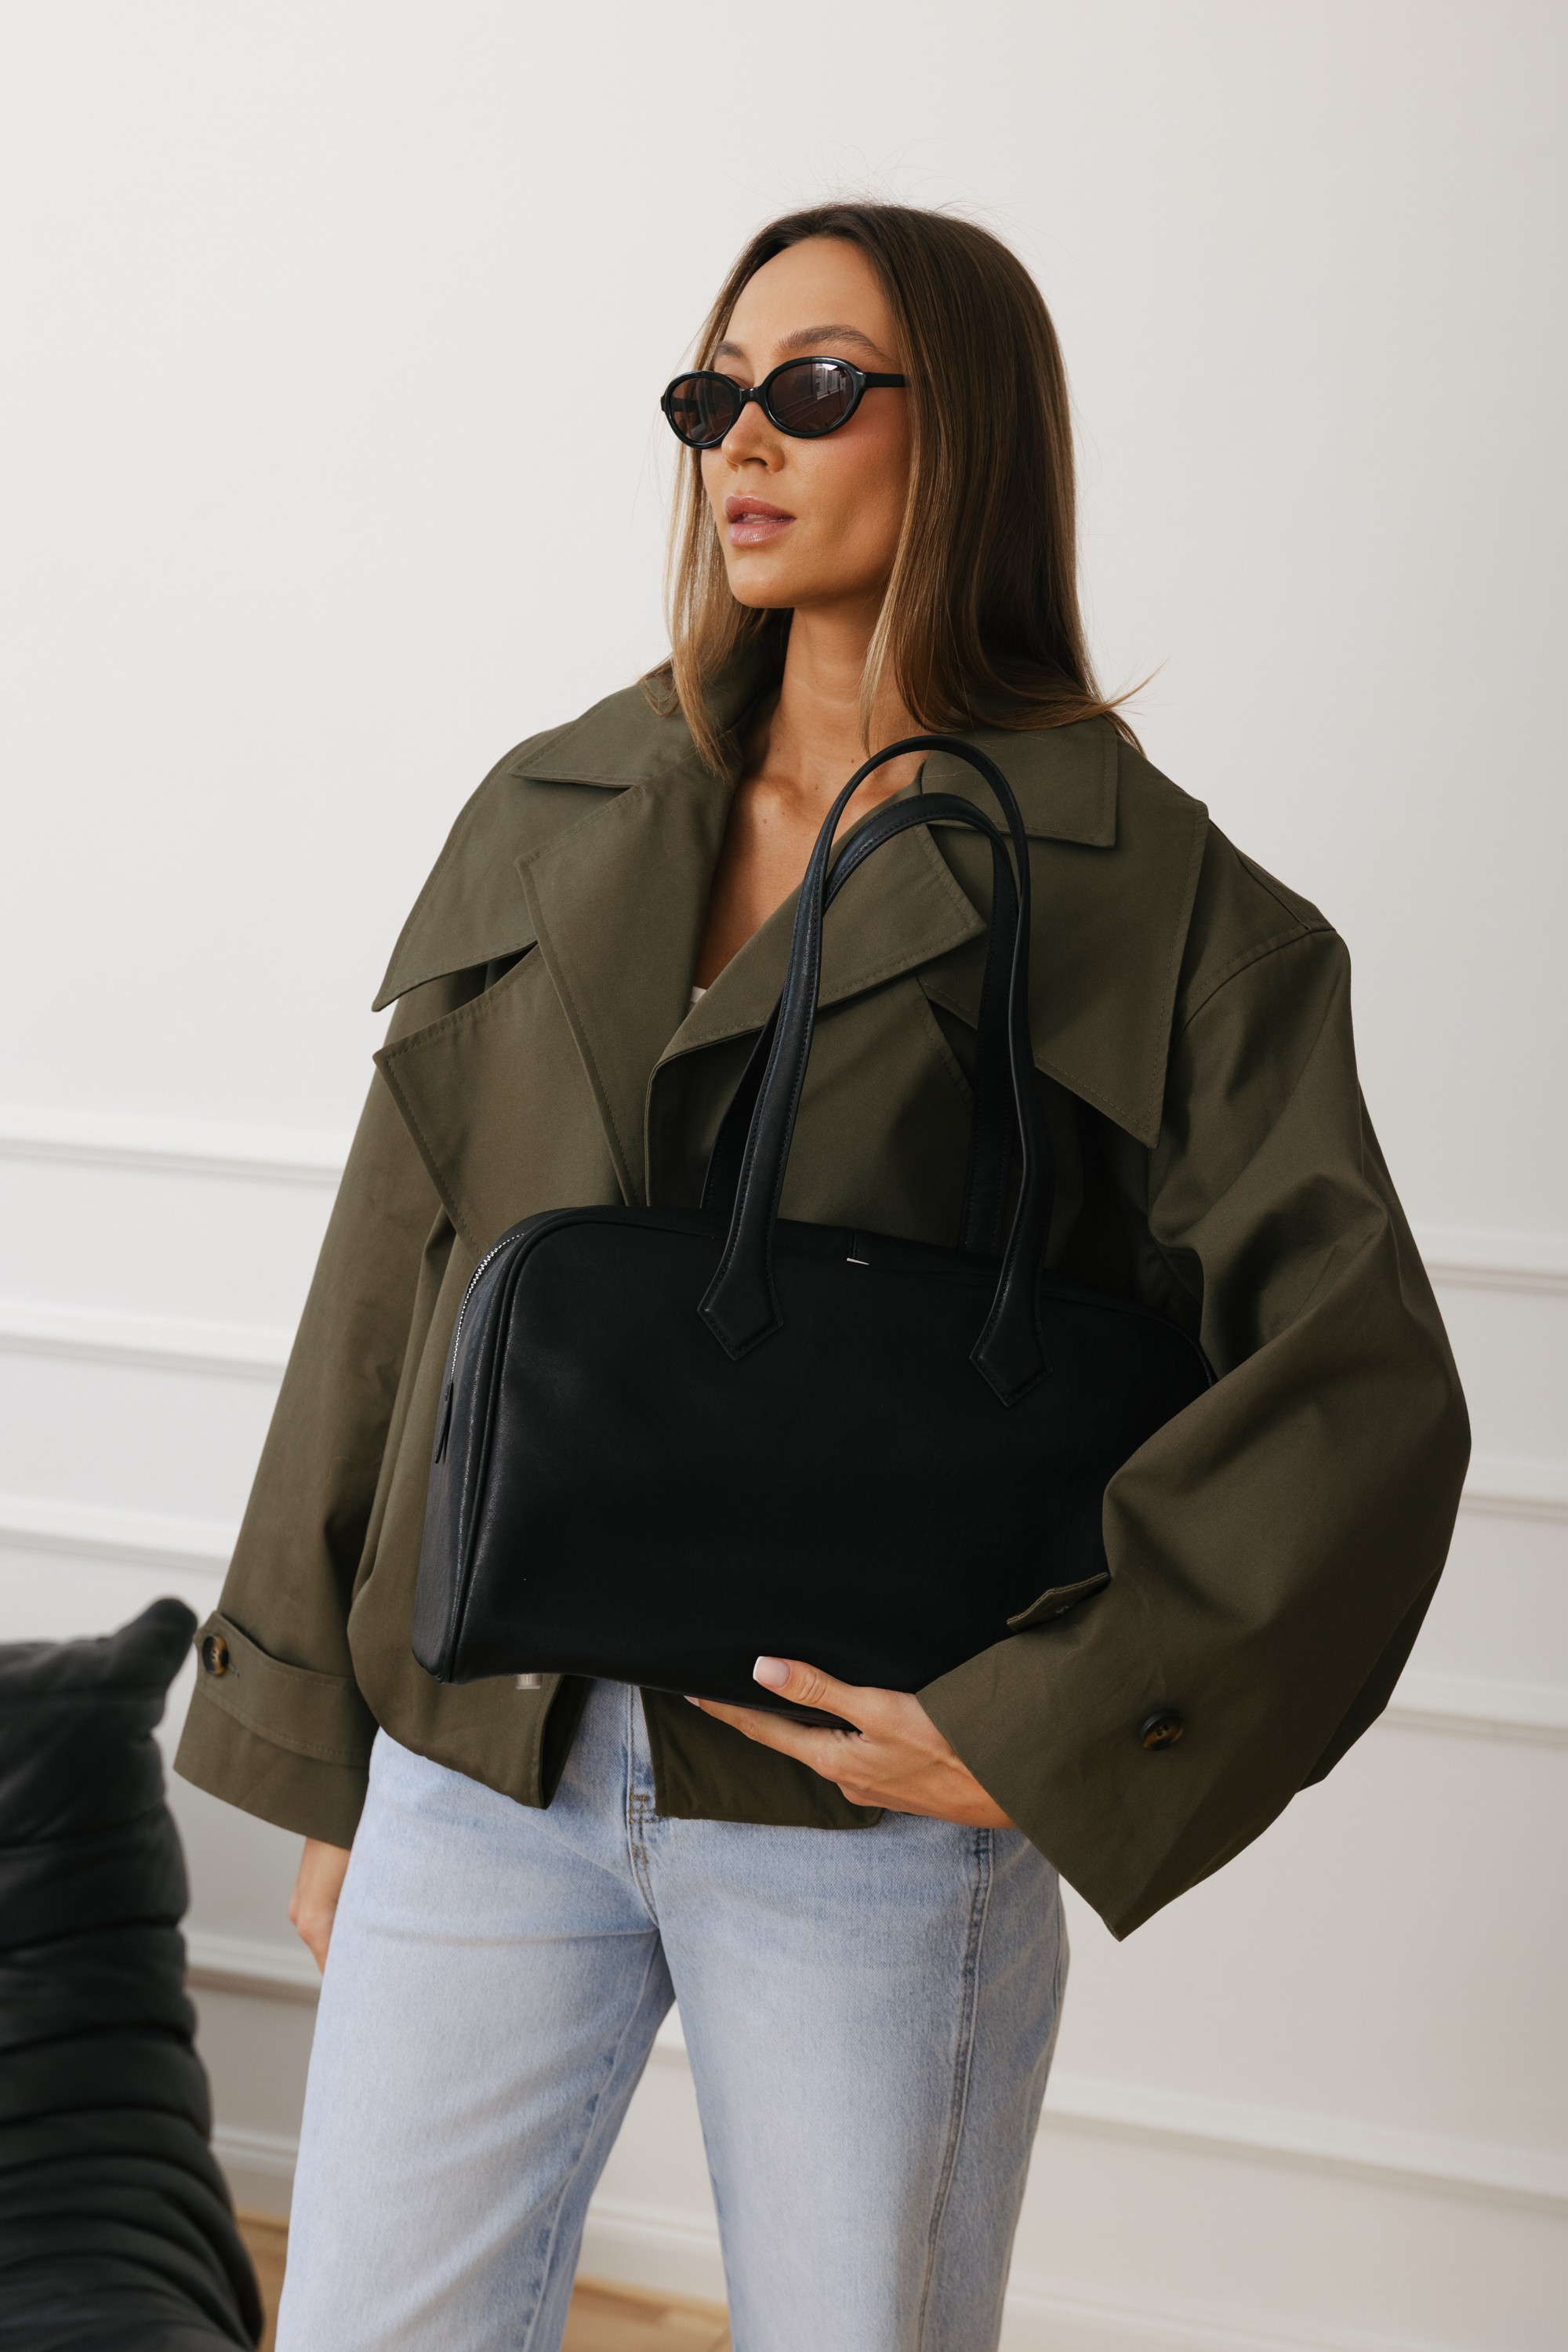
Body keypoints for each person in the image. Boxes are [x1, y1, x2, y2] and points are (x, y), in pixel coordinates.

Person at [176, 202, 1468, 2352]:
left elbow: (1357, 1392)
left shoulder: (1158, 905)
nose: (743, 445)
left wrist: (1038, 1728)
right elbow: (397, 1273)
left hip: (852, 1814)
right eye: (716, 396)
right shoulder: (556, 809)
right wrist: (332, 1748)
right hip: (481, 1760)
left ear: (971, 438)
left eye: (817, 388)